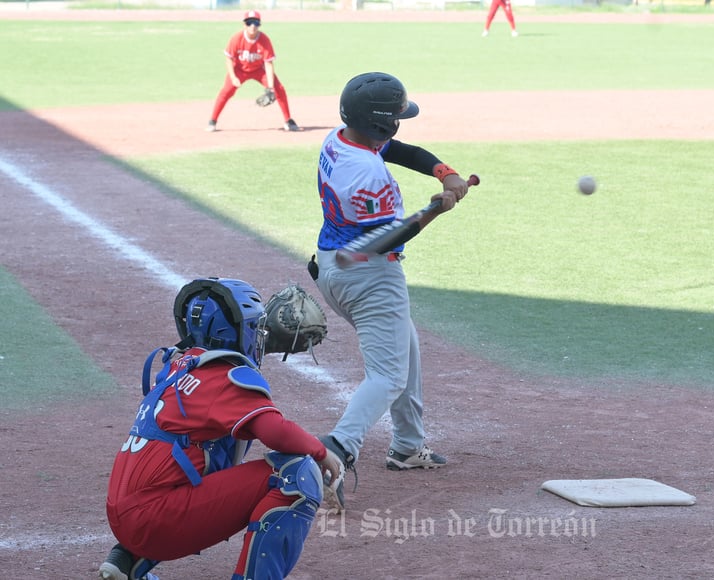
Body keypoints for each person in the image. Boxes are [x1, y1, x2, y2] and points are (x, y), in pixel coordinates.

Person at [97, 277, 342, 580]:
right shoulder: (226, 378)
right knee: (297, 473)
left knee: (206, 453)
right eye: (255, 328)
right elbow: (275, 432)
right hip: (155, 519)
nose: (260, 335)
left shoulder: (180, 365)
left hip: (126, 514)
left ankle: (128, 561)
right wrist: (320, 451)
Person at [312, 72, 470, 510]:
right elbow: (390, 237)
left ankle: (407, 446)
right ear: (382, 121)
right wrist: (440, 207)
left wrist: (445, 172)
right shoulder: (368, 177)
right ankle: (338, 450)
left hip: (335, 263)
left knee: (406, 349)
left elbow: (400, 150)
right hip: (369, 276)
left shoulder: (342, 139)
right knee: (387, 376)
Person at [207, 10, 301, 133]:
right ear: (244, 24)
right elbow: (229, 59)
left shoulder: (264, 40)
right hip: (239, 69)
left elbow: (268, 63)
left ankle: (288, 120)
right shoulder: (237, 38)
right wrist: (233, 77)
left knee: (279, 89)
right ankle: (212, 120)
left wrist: (271, 87)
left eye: (256, 23)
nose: (252, 26)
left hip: (259, 70)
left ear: (259, 25)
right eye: (249, 22)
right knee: (226, 91)